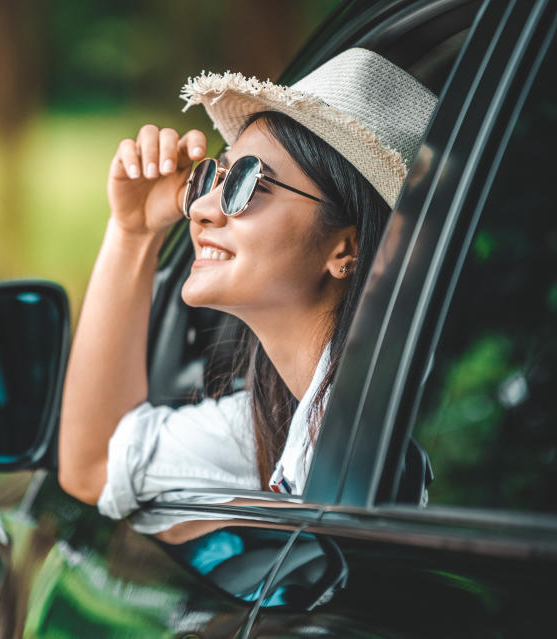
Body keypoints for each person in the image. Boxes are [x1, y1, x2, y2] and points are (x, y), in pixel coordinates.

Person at [57, 48, 439, 534]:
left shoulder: (383, 433)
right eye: (212, 178)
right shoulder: (278, 419)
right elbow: (95, 467)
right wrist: (133, 231)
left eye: (247, 183)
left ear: (347, 248)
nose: (199, 210)